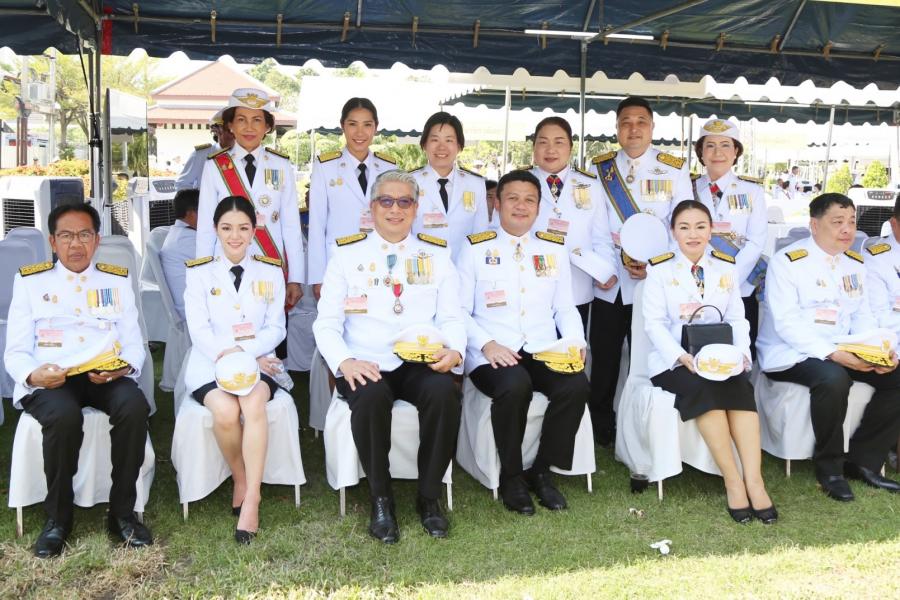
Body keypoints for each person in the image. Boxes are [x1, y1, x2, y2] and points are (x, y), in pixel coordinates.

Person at [313, 169, 466, 544]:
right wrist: (344, 362)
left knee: (444, 393)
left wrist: (456, 349)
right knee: (370, 397)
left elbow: (451, 316)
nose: (395, 209)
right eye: (386, 201)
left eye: (404, 202)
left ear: (415, 208)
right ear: (372, 207)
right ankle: (381, 500)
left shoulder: (437, 254)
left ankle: (429, 498)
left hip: (419, 359)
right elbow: (327, 323)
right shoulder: (346, 254)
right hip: (366, 360)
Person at [4, 203, 152, 557]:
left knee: (134, 406)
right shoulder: (31, 281)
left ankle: (122, 514)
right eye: (67, 236)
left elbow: (134, 343)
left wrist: (123, 368)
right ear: (53, 242)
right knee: (63, 416)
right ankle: (58, 519)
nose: (76, 244)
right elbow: (15, 351)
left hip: (104, 373)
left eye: (84, 235)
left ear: (97, 240)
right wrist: (33, 375)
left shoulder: (115, 279)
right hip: (53, 377)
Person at [458, 170, 590, 515]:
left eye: (529, 199)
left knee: (575, 384)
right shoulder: (475, 248)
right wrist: (487, 344)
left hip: (542, 347)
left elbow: (564, 307)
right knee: (514, 385)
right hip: (491, 352)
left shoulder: (552, 248)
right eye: (513, 198)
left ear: (538, 207)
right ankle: (512, 477)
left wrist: (575, 341)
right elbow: (458, 311)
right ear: (497, 204)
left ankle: (541, 471)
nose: (521, 206)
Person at [757, 193, 900, 501]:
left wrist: (876, 350)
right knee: (834, 378)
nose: (847, 229)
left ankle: (863, 461)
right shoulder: (788, 262)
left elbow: (861, 316)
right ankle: (830, 469)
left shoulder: (854, 263)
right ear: (814, 224)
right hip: (792, 352)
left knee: (896, 375)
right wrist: (835, 355)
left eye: (851, 222)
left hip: (841, 347)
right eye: (837, 222)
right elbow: (787, 324)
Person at [644, 200, 776, 523]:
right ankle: (733, 481)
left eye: (700, 227)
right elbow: (654, 324)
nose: (693, 234)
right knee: (704, 389)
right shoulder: (659, 269)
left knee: (741, 388)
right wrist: (681, 356)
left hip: (720, 358)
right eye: (684, 227)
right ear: (673, 232)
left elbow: (737, 318)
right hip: (676, 361)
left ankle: (755, 482)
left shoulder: (725, 266)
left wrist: (741, 355)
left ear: (711, 230)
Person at [589, 96, 693, 446]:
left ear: (652, 127)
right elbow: (596, 227)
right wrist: (611, 264)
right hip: (611, 280)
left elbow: (682, 224)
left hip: (653, 281)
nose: (633, 129)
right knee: (604, 356)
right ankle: (601, 424)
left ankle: (646, 423)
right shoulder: (600, 168)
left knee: (647, 356)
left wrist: (654, 265)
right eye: (626, 122)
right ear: (617, 128)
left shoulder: (673, 168)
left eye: (641, 122)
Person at [184, 195, 287, 544]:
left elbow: (277, 327)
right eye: (227, 228)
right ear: (215, 229)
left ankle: (252, 498)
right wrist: (233, 355)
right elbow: (198, 330)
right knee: (226, 412)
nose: (235, 236)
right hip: (210, 360)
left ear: (254, 230)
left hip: (259, 359)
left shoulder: (270, 270)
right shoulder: (199, 273)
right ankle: (240, 476)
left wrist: (247, 353)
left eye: (243, 228)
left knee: (253, 402)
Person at [196, 88, 304, 312]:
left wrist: (295, 278)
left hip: (270, 265)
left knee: (272, 328)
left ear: (267, 127)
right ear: (230, 125)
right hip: (227, 266)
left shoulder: (281, 164)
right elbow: (206, 227)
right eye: (241, 120)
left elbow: (291, 226)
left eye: (257, 120)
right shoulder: (215, 165)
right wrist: (203, 275)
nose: (249, 127)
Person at [528, 116, 618, 324]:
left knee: (573, 342)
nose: (551, 150)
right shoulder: (519, 183)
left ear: (570, 147)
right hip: (531, 286)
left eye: (559, 142)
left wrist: (607, 270)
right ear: (534, 148)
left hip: (576, 285)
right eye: (543, 142)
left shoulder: (591, 185)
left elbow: (601, 237)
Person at [308, 98, 397, 300]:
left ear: (376, 128)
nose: (360, 133)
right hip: (338, 262)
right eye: (353, 124)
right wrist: (318, 276)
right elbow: (317, 224)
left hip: (380, 262)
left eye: (367, 125)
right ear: (342, 126)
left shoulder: (389, 167)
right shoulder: (325, 167)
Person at [692, 119, 767, 348]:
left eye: (725, 145)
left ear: (736, 152)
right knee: (697, 346)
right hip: (696, 284)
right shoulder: (688, 187)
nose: (718, 152)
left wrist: (730, 278)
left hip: (739, 286)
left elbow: (756, 241)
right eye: (710, 145)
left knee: (739, 348)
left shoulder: (752, 190)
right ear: (701, 152)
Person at [411, 111, 490, 261]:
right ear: (424, 144)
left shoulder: (476, 185)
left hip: (463, 268)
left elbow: (480, 235)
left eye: (449, 140)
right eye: (435, 140)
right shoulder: (409, 183)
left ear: (459, 146)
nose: (442, 147)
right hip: (422, 267)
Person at [160, 188, 199, 321]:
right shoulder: (186, 239)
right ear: (191, 213)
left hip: (192, 304)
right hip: (193, 311)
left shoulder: (179, 233)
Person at [176, 109, 235, 191]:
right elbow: (182, 185)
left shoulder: (246, 154)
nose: (234, 133)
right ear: (216, 130)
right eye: (229, 130)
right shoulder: (200, 155)